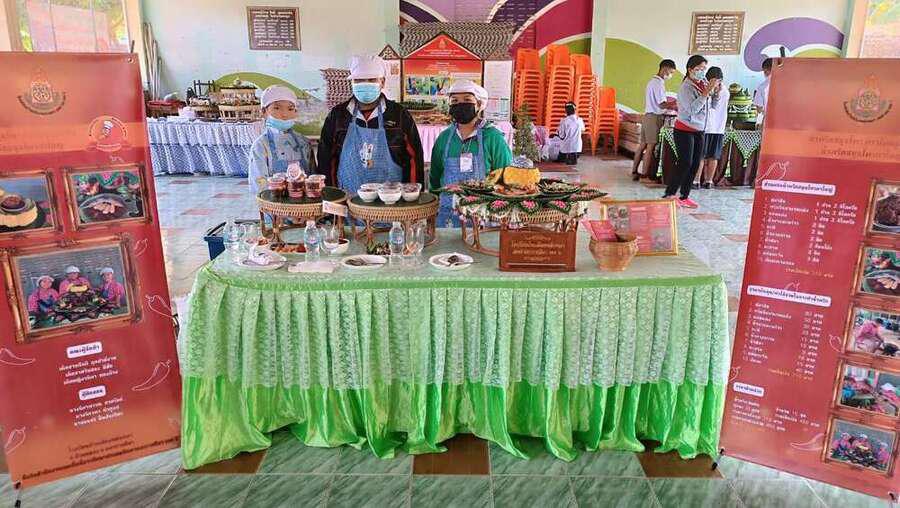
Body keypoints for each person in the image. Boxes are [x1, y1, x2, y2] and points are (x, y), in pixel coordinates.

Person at [317, 55, 424, 191]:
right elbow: (326, 159)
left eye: (372, 80)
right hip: (347, 198)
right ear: (352, 83)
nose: (365, 84)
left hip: (391, 198)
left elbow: (414, 159)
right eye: (359, 80)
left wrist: (412, 195)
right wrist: (331, 196)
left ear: (382, 82)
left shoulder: (399, 115)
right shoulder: (338, 116)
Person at [430, 79, 513, 226]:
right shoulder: (444, 138)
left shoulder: (493, 138)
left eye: (467, 100)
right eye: (454, 101)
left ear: (479, 105)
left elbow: (507, 178)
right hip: (447, 218)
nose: (460, 104)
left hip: (484, 217)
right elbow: (435, 179)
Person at [663, 54, 720, 208]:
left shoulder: (703, 83)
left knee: (695, 164)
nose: (702, 72)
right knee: (685, 163)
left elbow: (712, 106)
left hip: (700, 130)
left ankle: (684, 196)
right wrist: (706, 92)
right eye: (699, 68)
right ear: (690, 69)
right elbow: (692, 110)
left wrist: (716, 92)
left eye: (704, 69)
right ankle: (670, 194)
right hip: (684, 130)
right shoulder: (686, 87)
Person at [248, 85, 315, 195]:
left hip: (303, 202)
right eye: (277, 108)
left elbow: (312, 177)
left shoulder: (304, 142)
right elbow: (259, 184)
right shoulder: (261, 146)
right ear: (264, 111)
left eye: (290, 109)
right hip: (274, 201)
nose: (284, 114)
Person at [633, 59, 677, 180]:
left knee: (642, 145)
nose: (670, 75)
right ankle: (645, 174)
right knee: (650, 146)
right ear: (664, 69)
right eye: (671, 72)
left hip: (647, 116)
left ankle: (634, 170)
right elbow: (662, 105)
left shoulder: (652, 81)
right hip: (654, 118)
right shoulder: (658, 83)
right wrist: (675, 104)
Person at [698, 66, 729, 188]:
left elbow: (711, 105)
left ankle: (701, 181)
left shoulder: (721, 91)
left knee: (703, 156)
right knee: (710, 156)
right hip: (715, 129)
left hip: (709, 128)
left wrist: (711, 90)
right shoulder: (724, 91)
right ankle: (706, 181)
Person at [753, 58, 773, 125]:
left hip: (769, 122)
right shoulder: (786, 84)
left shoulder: (762, 87)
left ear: (765, 70)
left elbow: (759, 109)